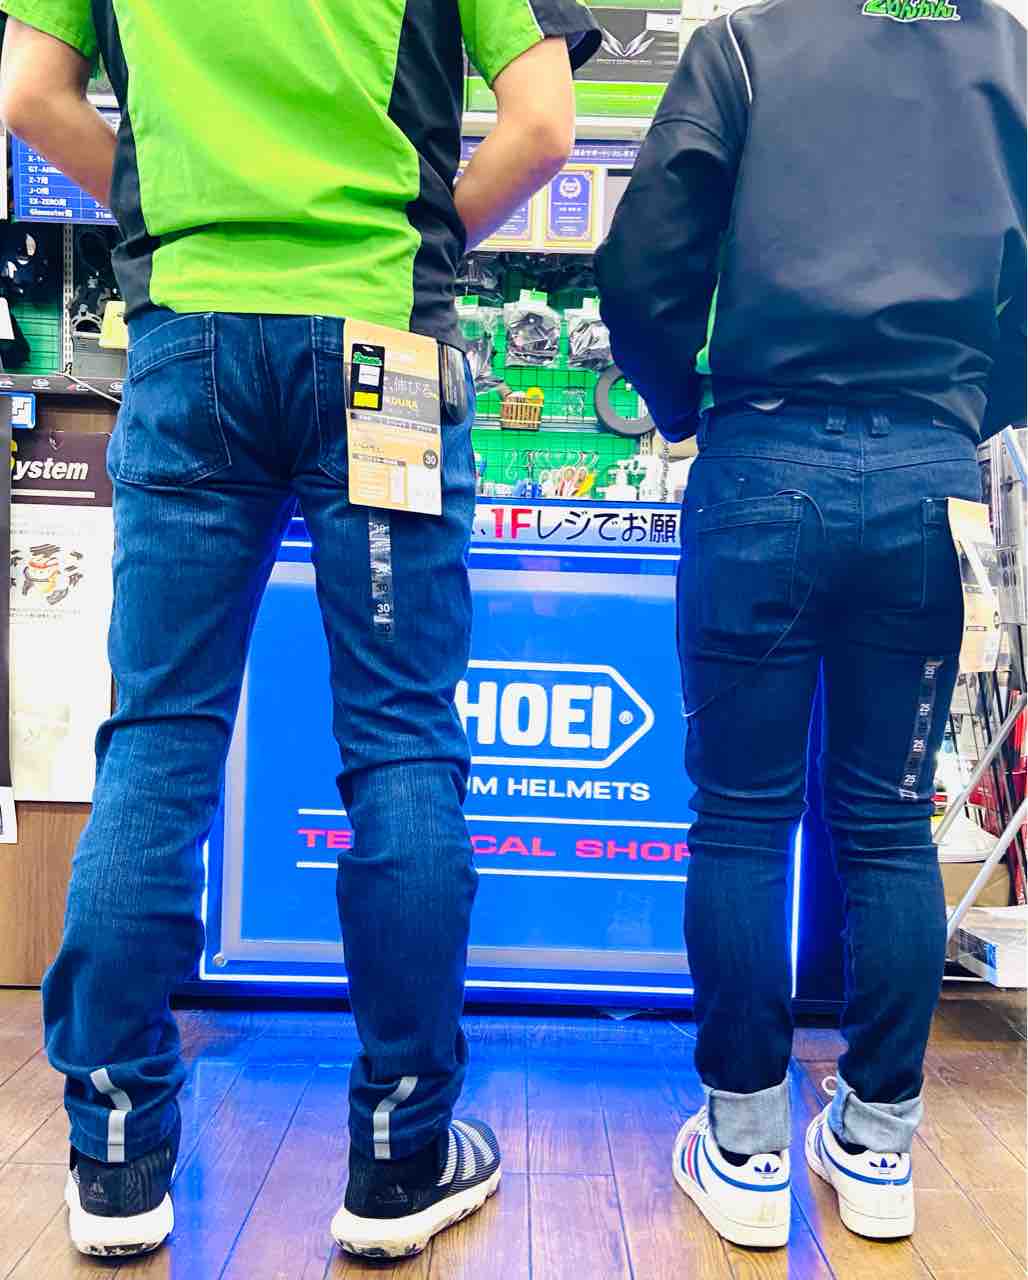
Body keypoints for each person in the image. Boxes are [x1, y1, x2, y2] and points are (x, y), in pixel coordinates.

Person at [0, 0, 598, 1260]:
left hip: (190, 339)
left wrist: (169, 229)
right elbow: (542, 123)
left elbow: (32, 92)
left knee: (158, 739)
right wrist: (418, 242)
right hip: (380, 339)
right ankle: (399, 1153)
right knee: (399, 741)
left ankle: (115, 1154)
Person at [596, 0, 1025, 1251]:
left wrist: (684, 404)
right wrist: (960, 409)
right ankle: (877, 1144)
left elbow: (638, 266)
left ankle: (741, 1145)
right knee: (887, 821)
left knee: (740, 817)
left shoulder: (740, 49)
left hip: (761, 458)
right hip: (929, 480)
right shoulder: (1011, 59)